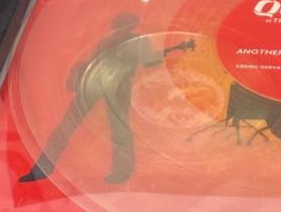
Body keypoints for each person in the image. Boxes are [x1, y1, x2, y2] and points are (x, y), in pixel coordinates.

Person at [19, 15, 193, 185]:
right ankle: (44, 170)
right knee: (103, 129)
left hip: (107, 85)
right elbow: (148, 60)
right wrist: (176, 49)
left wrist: (175, 49)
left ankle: (120, 172)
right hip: (104, 85)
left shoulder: (120, 41)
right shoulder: (129, 41)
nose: (122, 29)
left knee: (106, 129)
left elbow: (145, 61)